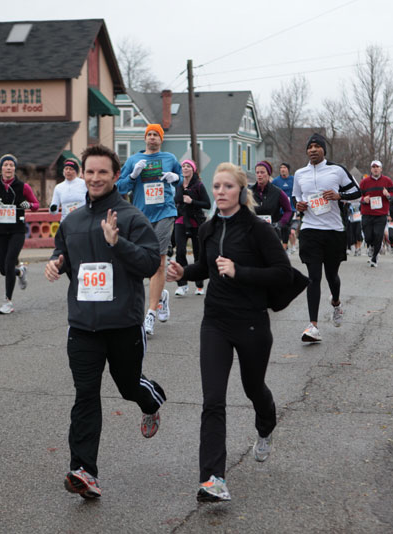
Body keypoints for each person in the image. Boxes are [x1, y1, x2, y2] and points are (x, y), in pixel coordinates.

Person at [45, 144, 166, 500]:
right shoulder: (73, 221)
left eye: (102, 172)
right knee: (86, 396)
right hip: (83, 325)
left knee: (128, 386)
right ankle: (84, 470)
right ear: (82, 174)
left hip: (123, 325)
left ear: (115, 176)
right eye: (90, 171)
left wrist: (117, 243)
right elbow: (62, 252)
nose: (95, 178)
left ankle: (151, 402)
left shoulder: (131, 218)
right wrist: (56, 263)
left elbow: (148, 264)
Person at [166, 162, 291, 503]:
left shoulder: (257, 230)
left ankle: (265, 427)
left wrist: (241, 271)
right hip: (216, 322)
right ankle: (212, 478)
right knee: (213, 400)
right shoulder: (207, 230)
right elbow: (205, 268)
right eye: (216, 186)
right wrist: (184, 273)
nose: (220, 191)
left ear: (241, 191)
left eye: (227, 187)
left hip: (252, 323)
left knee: (254, 389)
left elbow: (282, 272)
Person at [293, 133, 361, 342]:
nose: (313, 150)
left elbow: (357, 193)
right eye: (310, 147)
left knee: (332, 276)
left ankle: (336, 303)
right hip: (310, 230)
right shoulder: (300, 173)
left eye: (317, 146)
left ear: (324, 150)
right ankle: (313, 326)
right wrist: (300, 206)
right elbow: (297, 197)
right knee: (313, 277)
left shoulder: (336, 170)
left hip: (333, 230)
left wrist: (340, 196)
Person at [117, 123, 183, 336]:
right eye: (150, 134)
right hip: (141, 215)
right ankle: (161, 294)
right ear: (145, 138)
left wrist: (175, 178)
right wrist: (134, 176)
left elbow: (181, 178)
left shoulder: (170, 158)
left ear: (161, 139)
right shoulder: (133, 160)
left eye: (156, 135)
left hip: (165, 211)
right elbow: (120, 188)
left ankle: (151, 313)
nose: (152, 137)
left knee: (159, 261)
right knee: (140, 263)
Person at [0, 154, 40, 313]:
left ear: (15, 168)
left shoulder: (23, 187)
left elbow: (36, 205)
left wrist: (29, 204)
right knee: (2, 269)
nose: (8, 168)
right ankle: (20, 272)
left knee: (9, 262)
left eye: (11, 165)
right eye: (6, 165)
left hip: (17, 230)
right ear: (1, 168)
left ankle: (8, 302)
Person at [174, 159, 211, 297]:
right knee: (180, 252)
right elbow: (174, 200)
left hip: (195, 222)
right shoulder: (178, 184)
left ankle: (199, 285)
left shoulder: (199, 185)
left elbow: (207, 204)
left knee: (198, 254)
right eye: (183, 166)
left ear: (193, 169)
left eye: (188, 166)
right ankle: (182, 285)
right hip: (180, 220)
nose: (185, 168)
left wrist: (192, 201)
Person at [359, 160, 393, 267]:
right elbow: (358, 196)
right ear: (371, 169)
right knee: (368, 236)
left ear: (381, 169)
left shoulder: (387, 181)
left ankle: (374, 258)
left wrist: (387, 195)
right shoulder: (364, 182)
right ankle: (370, 245)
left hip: (381, 214)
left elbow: (392, 196)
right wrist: (363, 199)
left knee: (378, 235)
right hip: (367, 213)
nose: (375, 169)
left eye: (377, 167)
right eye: (373, 167)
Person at [250, 160, 293, 237]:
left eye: (262, 172)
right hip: (252, 233)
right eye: (257, 172)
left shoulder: (278, 192)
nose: (259, 175)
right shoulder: (249, 191)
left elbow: (288, 210)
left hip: (272, 234)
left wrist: (280, 224)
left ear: (268, 174)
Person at [272, 162, 296, 251]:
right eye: (281, 168)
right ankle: (282, 245)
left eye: (284, 167)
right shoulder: (276, 181)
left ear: (288, 170)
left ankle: (284, 246)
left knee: (285, 226)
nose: (282, 169)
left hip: (291, 208)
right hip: (279, 209)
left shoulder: (293, 179)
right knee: (279, 227)